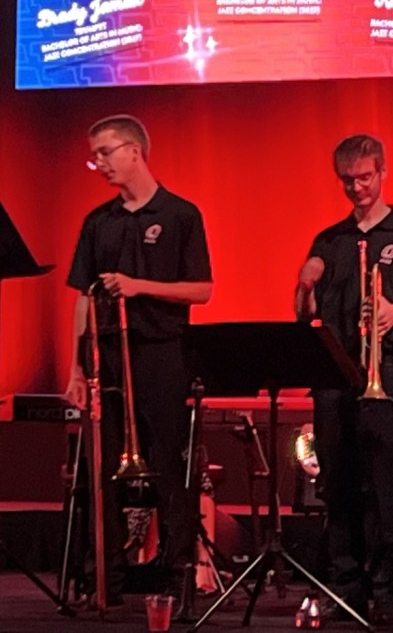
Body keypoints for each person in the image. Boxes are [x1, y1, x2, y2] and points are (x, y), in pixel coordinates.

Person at [64, 114, 213, 607]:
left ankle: (176, 576)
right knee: (103, 469)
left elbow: (202, 290)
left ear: (134, 151)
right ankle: (105, 579)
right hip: (107, 356)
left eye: (105, 152)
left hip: (161, 353)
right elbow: (83, 297)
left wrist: (138, 286)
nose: (99, 163)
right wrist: (76, 367)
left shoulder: (180, 214)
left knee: (169, 463)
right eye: (95, 156)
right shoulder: (98, 222)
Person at [294, 133, 393, 622]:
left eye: (364, 178)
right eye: (347, 181)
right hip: (335, 379)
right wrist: (305, 284)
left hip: (386, 377)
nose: (356, 188)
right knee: (336, 486)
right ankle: (345, 588)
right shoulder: (329, 240)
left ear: (382, 172)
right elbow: (305, 315)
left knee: (383, 488)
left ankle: (385, 590)